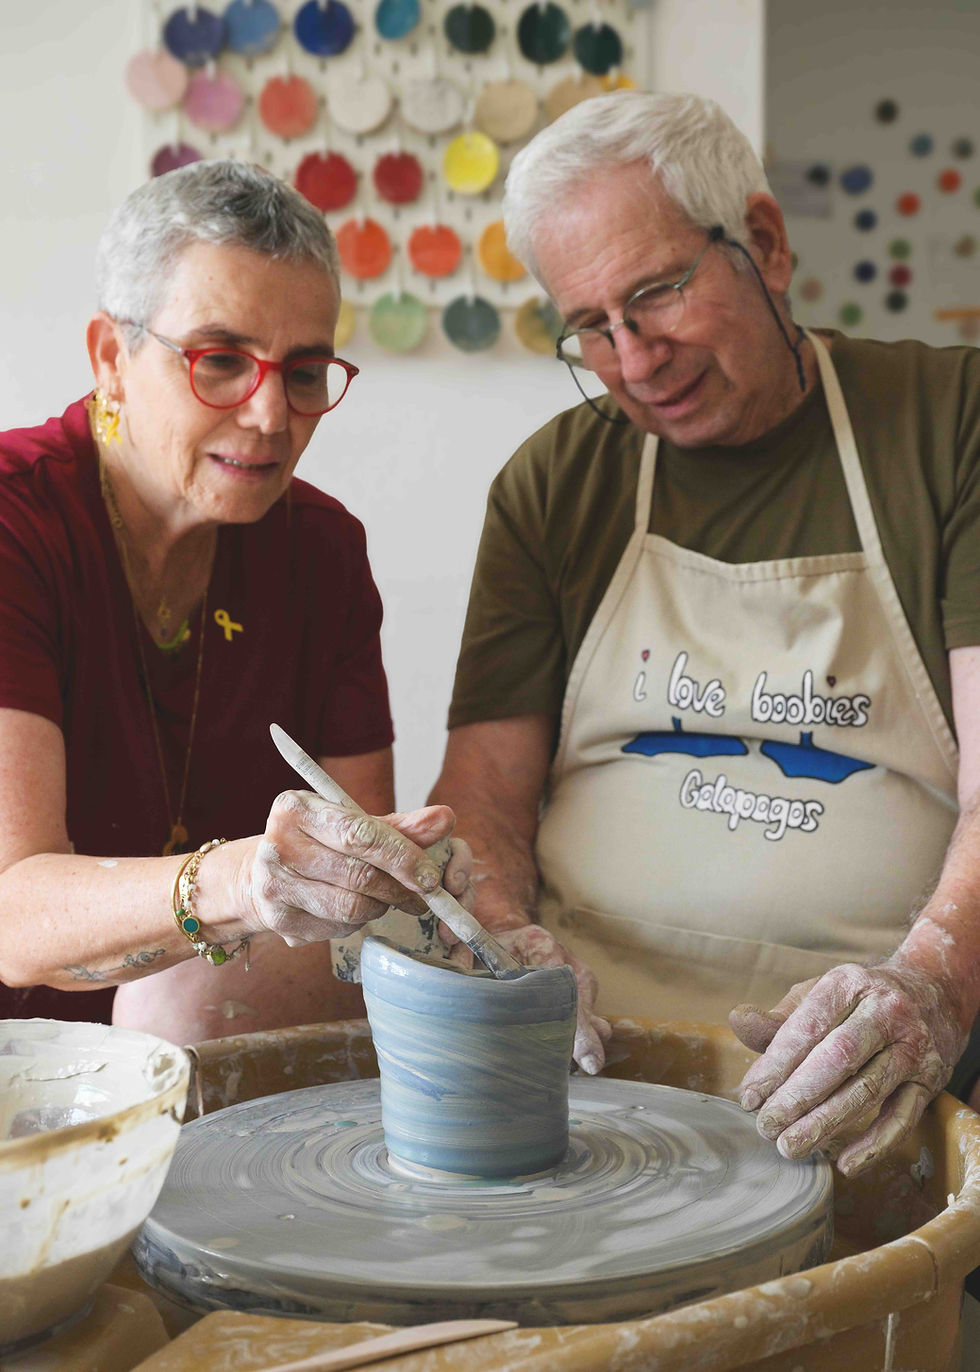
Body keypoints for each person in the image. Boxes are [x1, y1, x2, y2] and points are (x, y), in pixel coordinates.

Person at [430, 91, 980, 1176]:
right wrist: (505, 939)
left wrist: (929, 982)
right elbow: (482, 802)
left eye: (656, 294)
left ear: (763, 244)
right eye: (589, 327)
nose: (632, 361)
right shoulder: (554, 484)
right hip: (592, 1058)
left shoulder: (948, 421)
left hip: (865, 1043)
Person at [0, 159, 472, 1045]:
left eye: (302, 374)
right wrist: (243, 880)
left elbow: (350, 908)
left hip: (212, 1045)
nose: (269, 417)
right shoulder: (16, 522)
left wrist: (449, 931)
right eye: (220, 361)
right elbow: (13, 916)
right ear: (111, 356)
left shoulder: (323, 553)